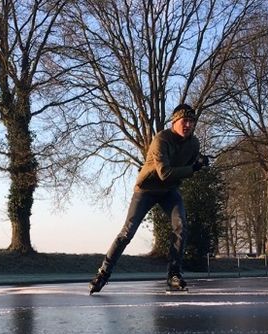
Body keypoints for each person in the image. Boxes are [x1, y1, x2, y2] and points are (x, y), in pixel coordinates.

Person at [89, 103, 208, 294]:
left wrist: (199, 162)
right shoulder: (161, 139)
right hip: (147, 189)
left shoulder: (194, 143)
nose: (188, 125)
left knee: (181, 226)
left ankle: (174, 275)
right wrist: (193, 169)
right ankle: (103, 274)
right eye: (184, 121)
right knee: (127, 233)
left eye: (191, 122)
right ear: (174, 122)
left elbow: (189, 163)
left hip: (169, 191)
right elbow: (165, 173)